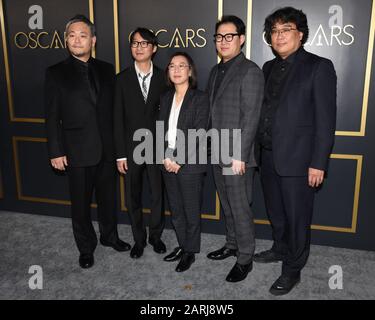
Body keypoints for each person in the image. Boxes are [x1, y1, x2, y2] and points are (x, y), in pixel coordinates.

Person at [254, 7, 337, 295]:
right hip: (267, 155)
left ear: (300, 34)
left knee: (297, 217)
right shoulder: (266, 68)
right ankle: (279, 248)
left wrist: (318, 163)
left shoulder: (319, 66)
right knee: (276, 212)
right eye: (274, 31)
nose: (279, 36)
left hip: (300, 160)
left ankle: (292, 270)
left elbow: (326, 121)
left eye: (285, 29)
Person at [45, 14, 130, 269]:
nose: (77, 40)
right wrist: (55, 151)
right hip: (76, 150)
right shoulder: (55, 73)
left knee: (109, 198)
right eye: (72, 35)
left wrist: (118, 150)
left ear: (93, 40)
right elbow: (51, 116)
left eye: (83, 35)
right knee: (80, 204)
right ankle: (85, 247)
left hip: (106, 149)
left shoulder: (106, 68)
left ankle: (109, 237)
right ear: (66, 40)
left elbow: (113, 112)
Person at [206, 15, 264, 282]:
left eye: (229, 36)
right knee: (227, 204)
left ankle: (245, 258)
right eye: (219, 37)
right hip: (217, 150)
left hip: (237, 156)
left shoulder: (250, 70)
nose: (223, 41)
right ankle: (232, 245)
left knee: (240, 208)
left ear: (241, 39)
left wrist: (240, 156)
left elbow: (251, 117)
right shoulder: (216, 70)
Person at [113, 28, 167, 259]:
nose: (139, 47)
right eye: (135, 43)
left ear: (154, 48)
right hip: (131, 148)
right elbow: (116, 118)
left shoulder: (165, 77)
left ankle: (155, 236)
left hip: (157, 148)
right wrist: (120, 154)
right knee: (132, 196)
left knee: (157, 195)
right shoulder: (121, 79)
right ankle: (138, 239)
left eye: (144, 43)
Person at [159, 52, 209, 272]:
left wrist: (178, 158)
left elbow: (199, 133)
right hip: (166, 159)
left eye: (182, 66)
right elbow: (160, 130)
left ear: (190, 71)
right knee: (176, 209)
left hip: (190, 162)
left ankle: (191, 251)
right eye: (172, 66)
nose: (176, 70)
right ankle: (182, 245)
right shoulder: (165, 98)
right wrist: (164, 155)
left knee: (190, 209)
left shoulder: (200, 98)